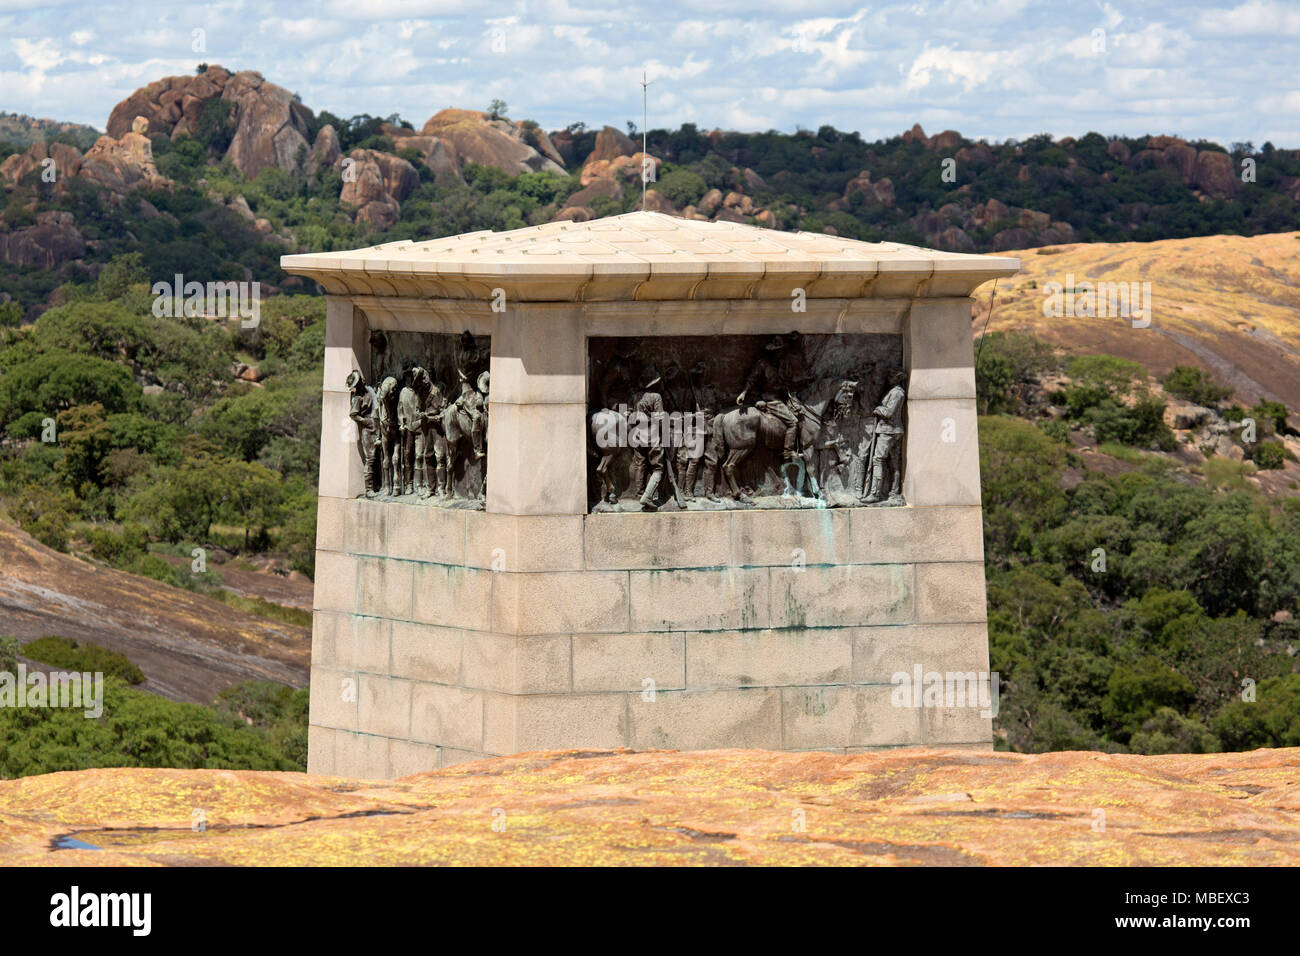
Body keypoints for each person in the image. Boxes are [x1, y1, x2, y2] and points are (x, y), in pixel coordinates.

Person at [737, 334, 803, 460]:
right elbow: (751, 380)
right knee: (793, 423)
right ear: (771, 351)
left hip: (783, 397)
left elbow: (788, 380)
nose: (778, 353)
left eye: (780, 351)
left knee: (801, 414)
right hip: (770, 399)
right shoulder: (762, 364)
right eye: (776, 351)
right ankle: (788, 451)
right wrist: (743, 393)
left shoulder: (783, 364)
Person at [864, 369, 906, 504]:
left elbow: (888, 413)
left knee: (878, 459)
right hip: (890, 430)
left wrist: (878, 409)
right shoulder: (893, 391)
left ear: (897, 378)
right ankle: (893, 491)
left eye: (891, 376)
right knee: (891, 463)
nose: (888, 378)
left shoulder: (897, 393)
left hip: (889, 431)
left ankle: (875, 494)